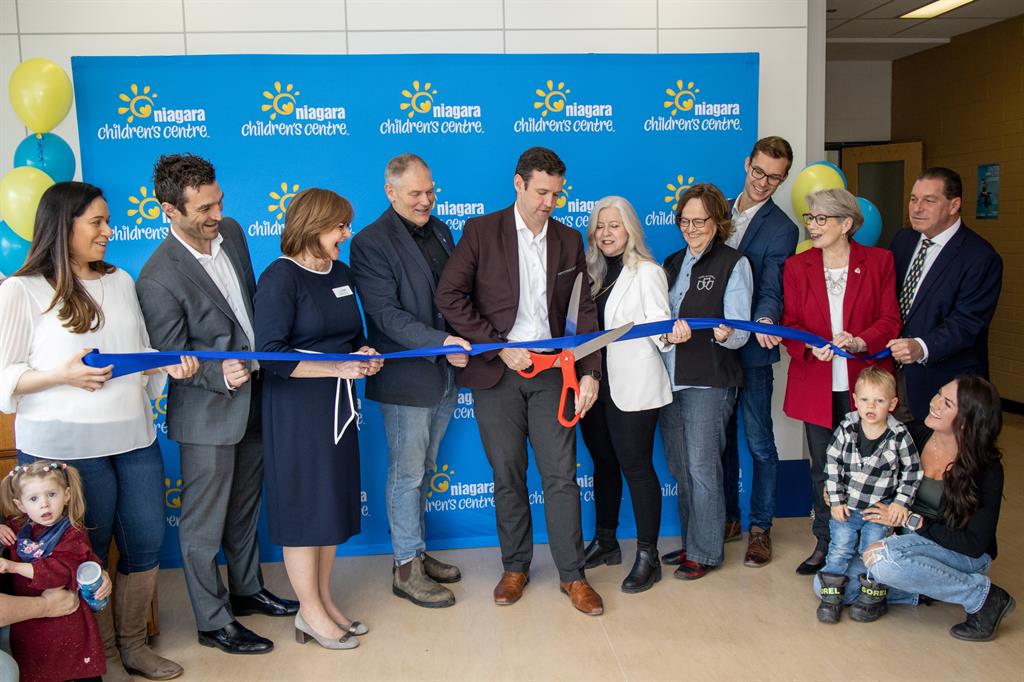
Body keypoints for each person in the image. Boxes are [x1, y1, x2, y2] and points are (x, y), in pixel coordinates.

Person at [0, 181, 195, 681]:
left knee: (147, 541)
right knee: (86, 550)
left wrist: (168, 366)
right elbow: (6, 374)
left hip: (133, 437)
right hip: (64, 450)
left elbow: (140, 351)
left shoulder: (121, 280)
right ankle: (101, 653)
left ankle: (133, 646)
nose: (109, 230)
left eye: (108, 220)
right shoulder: (22, 290)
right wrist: (62, 375)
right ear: (63, 226)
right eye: (97, 222)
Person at [136, 154, 297, 656]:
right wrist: (216, 371)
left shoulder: (234, 232)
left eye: (218, 200)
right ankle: (212, 621)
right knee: (203, 526)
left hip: (256, 398)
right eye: (203, 207)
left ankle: (246, 591)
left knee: (246, 510)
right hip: (208, 414)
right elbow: (171, 356)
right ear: (169, 210)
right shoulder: (157, 277)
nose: (215, 213)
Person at [435, 147, 604, 616]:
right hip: (498, 373)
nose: (550, 201)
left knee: (561, 477)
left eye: (557, 193)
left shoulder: (570, 240)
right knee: (506, 474)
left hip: (553, 373)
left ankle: (573, 576)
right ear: (518, 184)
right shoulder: (481, 231)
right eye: (542, 192)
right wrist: (495, 344)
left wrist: (590, 371)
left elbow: (582, 312)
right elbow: (449, 295)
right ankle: (515, 568)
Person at [254, 188, 382, 650]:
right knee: (304, 510)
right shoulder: (280, 278)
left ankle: (323, 602)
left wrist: (363, 354)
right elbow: (268, 356)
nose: (347, 235)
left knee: (328, 508)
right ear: (313, 227)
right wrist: (336, 367)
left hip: (338, 408)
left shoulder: (341, 272)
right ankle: (308, 612)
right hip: (296, 413)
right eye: (340, 227)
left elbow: (353, 335)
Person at [350, 154, 470, 609]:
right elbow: (385, 316)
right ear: (391, 192)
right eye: (416, 193)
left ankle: (416, 551)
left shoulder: (441, 230)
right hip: (406, 379)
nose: (426, 200)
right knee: (406, 474)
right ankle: (405, 568)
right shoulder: (369, 242)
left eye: (430, 191)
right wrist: (444, 341)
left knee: (422, 470)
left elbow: (454, 295)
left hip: (443, 375)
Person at [781, 188, 901, 576]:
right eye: (810, 219)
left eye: (821, 219)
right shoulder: (797, 267)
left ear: (846, 224)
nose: (812, 227)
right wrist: (810, 347)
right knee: (824, 469)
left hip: (863, 385)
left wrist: (861, 340)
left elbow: (890, 320)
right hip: (816, 384)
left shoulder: (880, 261)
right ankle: (827, 543)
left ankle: (870, 547)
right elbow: (791, 326)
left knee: (870, 470)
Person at [861, 377, 1015, 642]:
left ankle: (982, 597)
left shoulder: (986, 468)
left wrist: (912, 520)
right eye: (938, 394)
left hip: (961, 553)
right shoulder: (911, 434)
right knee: (828, 586)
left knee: (881, 561)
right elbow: (862, 458)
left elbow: (974, 544)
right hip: (906, 542)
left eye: (947, 403)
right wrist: (838, 488)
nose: (935, 403)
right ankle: (924, 588)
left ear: (966, 419)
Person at [659, 183, 753, 581]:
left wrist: (721, 333)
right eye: (685, 220)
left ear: (718, 222)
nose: (692, 227)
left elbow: (741, 331)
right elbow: (660, 321)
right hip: (670, 379)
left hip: (710, 380)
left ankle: (707, 551)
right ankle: (693, 541)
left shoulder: (735, 263)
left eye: (700, 220)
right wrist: (665, 335)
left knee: (702, 468)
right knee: (681, 468)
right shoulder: (671, 261)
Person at [578, 196, 672, 594]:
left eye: (614, 225)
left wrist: (671, 333)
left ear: (630, 228)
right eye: (600, 226)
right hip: (595, 386)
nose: (606, 233)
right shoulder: (591, 275)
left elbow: (661, 333)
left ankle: (648, 557)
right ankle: (606, 540)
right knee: (603, 464)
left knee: (636, 467)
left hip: (633, 388)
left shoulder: (648, 272)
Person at [887, 168, 1002, 439]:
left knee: (941, 475)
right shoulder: (902, 241)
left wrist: (922, 347)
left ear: (954, 205)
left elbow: (968, 323)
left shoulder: (980, 257)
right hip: (894, 382)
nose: (917, 208)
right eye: (914, 199)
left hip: (943, 389)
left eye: (929, 200)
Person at [814, 367, 921, 624]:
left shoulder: (898, 436)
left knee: (871, 551)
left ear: (892, 404)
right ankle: (831, 597)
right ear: (855, 400)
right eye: (864, 400)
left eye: (879, 401)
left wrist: (900, 503)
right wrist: (836, 500)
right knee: (840, 548)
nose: (870, 406)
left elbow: (912, 472)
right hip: (847, 507)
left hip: (878, 510)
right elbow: (831, 465)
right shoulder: (847, 428)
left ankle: (871, 597)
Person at [0, 461, 104, 682]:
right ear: (20, 505)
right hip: (30, 623)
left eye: (51, 495)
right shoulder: (18, 528)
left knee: (77, 670)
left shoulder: (73, 532)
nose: (44, 505)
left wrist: (14, 566)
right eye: (34, 499)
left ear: (67, 495)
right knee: (36, 670)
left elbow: (60, 572)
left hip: (68, 620)